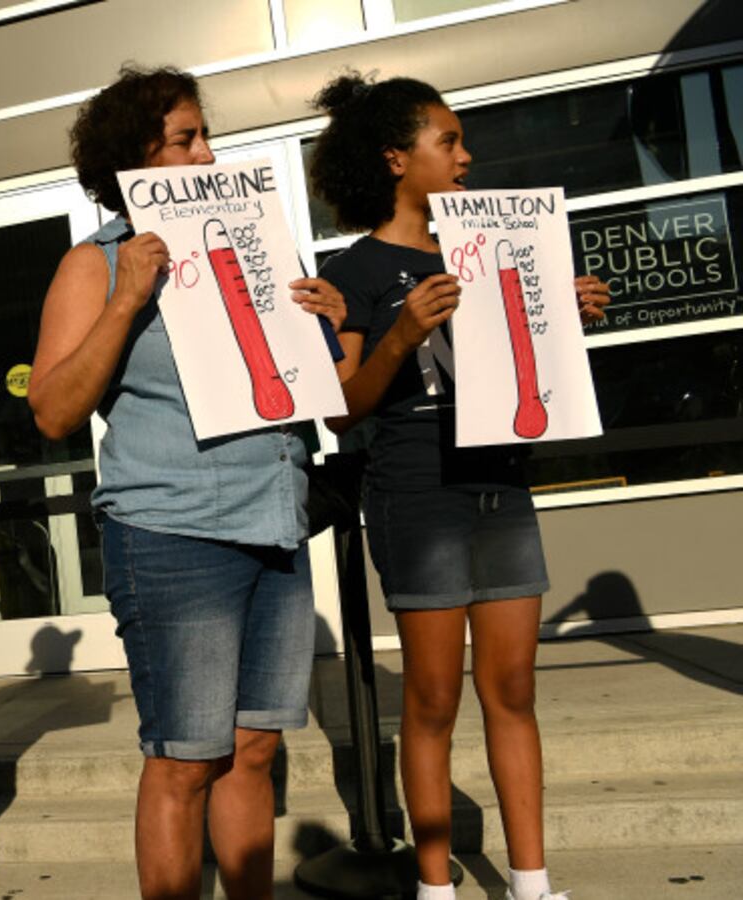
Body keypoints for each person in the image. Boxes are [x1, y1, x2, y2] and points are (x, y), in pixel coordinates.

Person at [27, 65, 346, 900]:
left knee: (254, 748)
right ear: (135, 157)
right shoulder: (92, 264)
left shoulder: (255, 247)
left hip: (274, 521)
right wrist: (126, 299)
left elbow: (331, 400)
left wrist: (329, 328)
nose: (208, 154)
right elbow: (54, 411)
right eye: (185, 139)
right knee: (184, 757)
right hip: (172, 534)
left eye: (206, 135)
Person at [307, 71, 610, 900]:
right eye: (450, 141)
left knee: (513, 690)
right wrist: (403, 331)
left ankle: (532, 883)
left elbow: (527, 372)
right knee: (433, 700)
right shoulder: (358, 268)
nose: (468, 156)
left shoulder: (492, 246)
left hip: (501, 485)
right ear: (397, 158)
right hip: (417, 494)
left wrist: (562, 315)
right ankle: (437, 890)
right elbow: (341, 409)